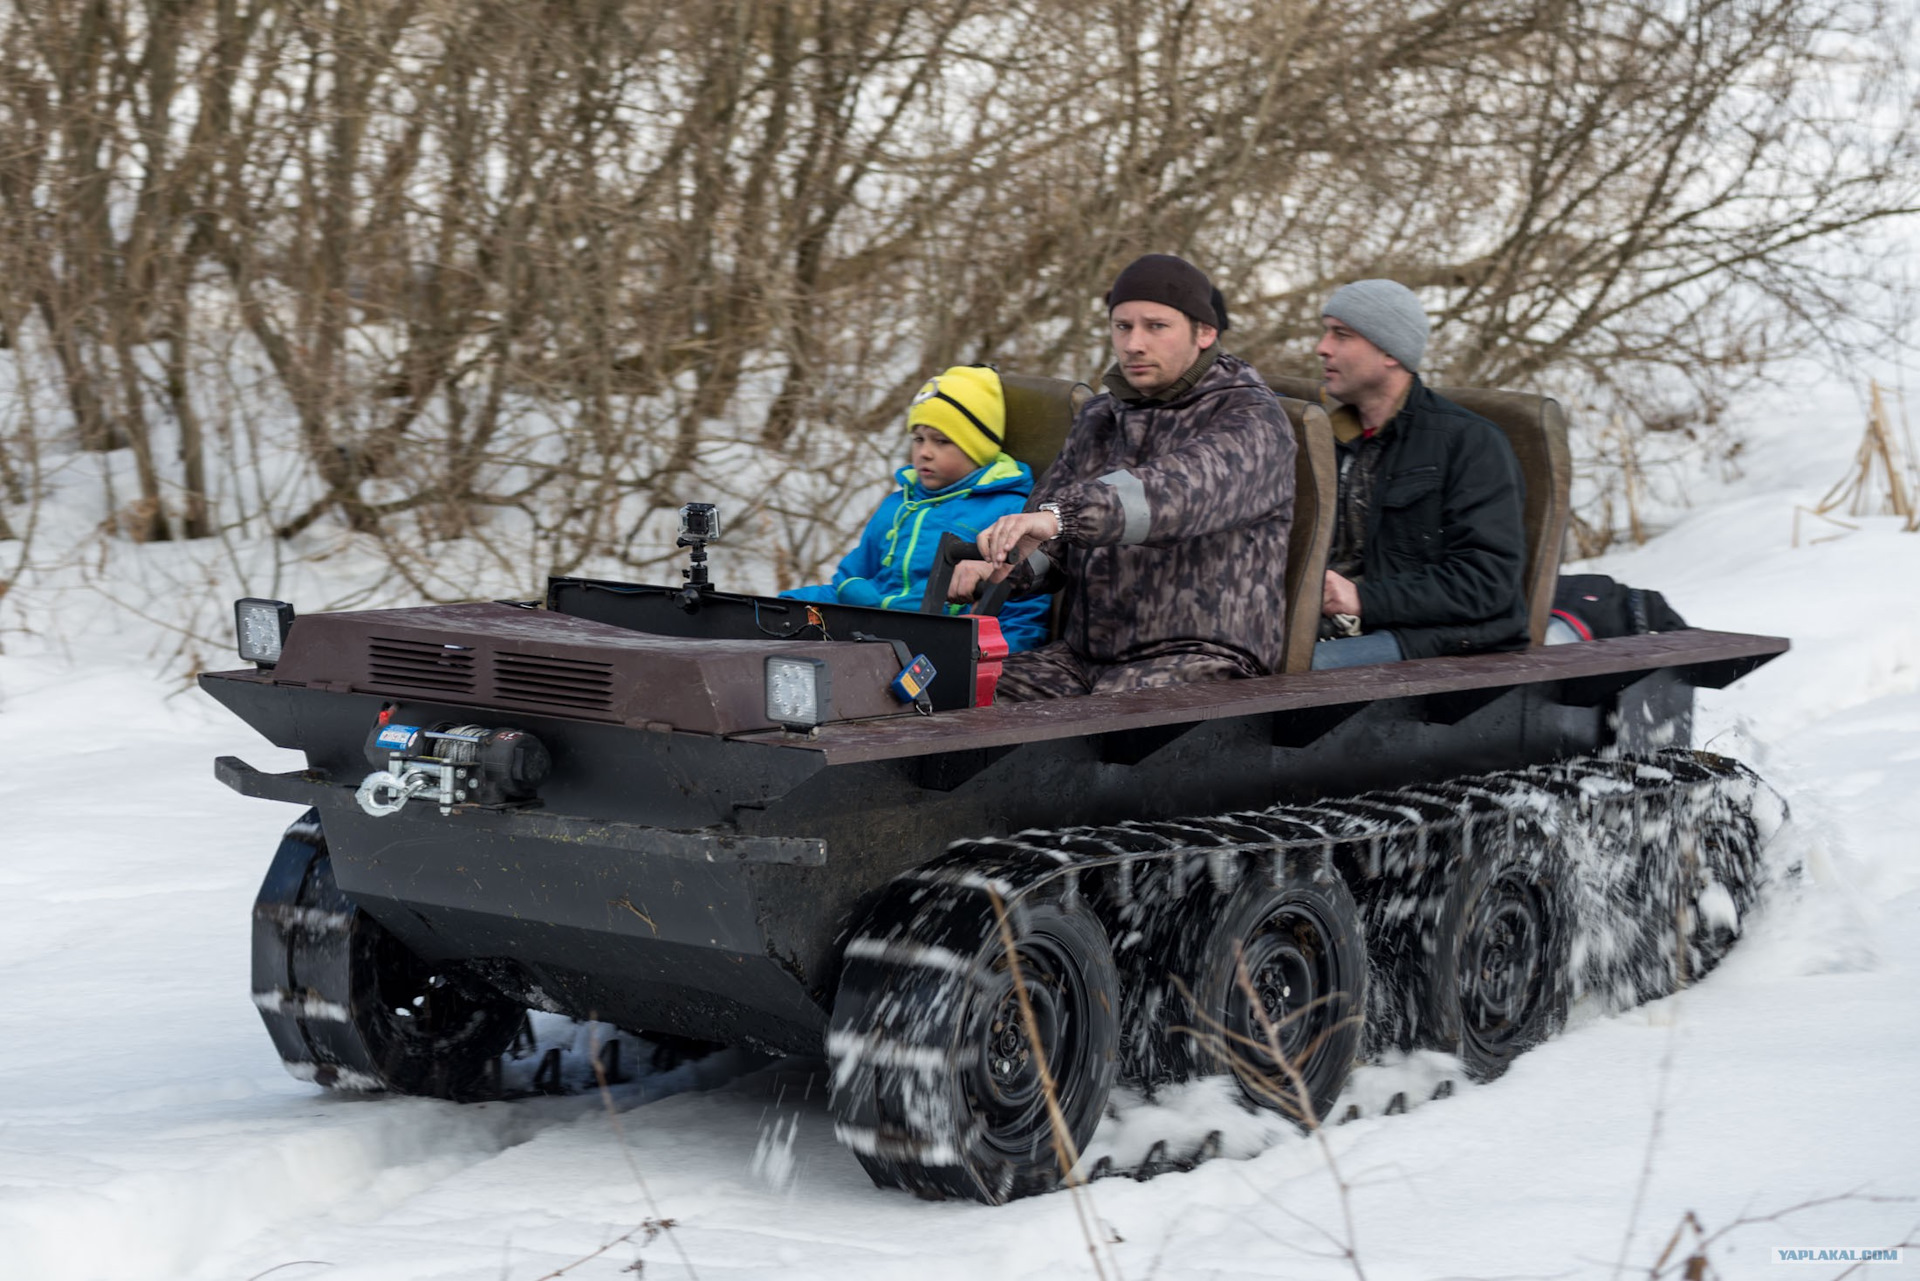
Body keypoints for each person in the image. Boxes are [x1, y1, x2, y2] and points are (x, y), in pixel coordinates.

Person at [952, 253, 1296, 698]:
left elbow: (1173, 494)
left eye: (1156, 326)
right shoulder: (1100, 417)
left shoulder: (1253, 418)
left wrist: (1060, 517)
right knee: (956, 692)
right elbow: (1051, 545)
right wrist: (1005, 568)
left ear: (1205, 333)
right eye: (1122, 326)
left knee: (1111, 713)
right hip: (1084, 658)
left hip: (1204, 658)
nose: (1133, 343)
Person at [1311, 279, 1528, 669]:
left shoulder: (1470, 443)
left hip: (1435, 643)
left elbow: (1487, 582)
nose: (1322, 347)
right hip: (1336, 625)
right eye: (1326, 332)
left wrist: (1364, 599)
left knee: (1287, 674)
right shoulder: (1326, 438)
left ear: (1390, 352)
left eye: (1341, 335)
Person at [783, 364, 1051, 652]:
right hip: (869, 637)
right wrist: (782, 609)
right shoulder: (897, 505)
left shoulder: (1012, 513)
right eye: (918, 438)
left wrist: (980, 661)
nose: (924, 452)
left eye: (942, 441)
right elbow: (847, 581)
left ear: (979, 448)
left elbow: (1023, 615)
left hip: (942, 651)